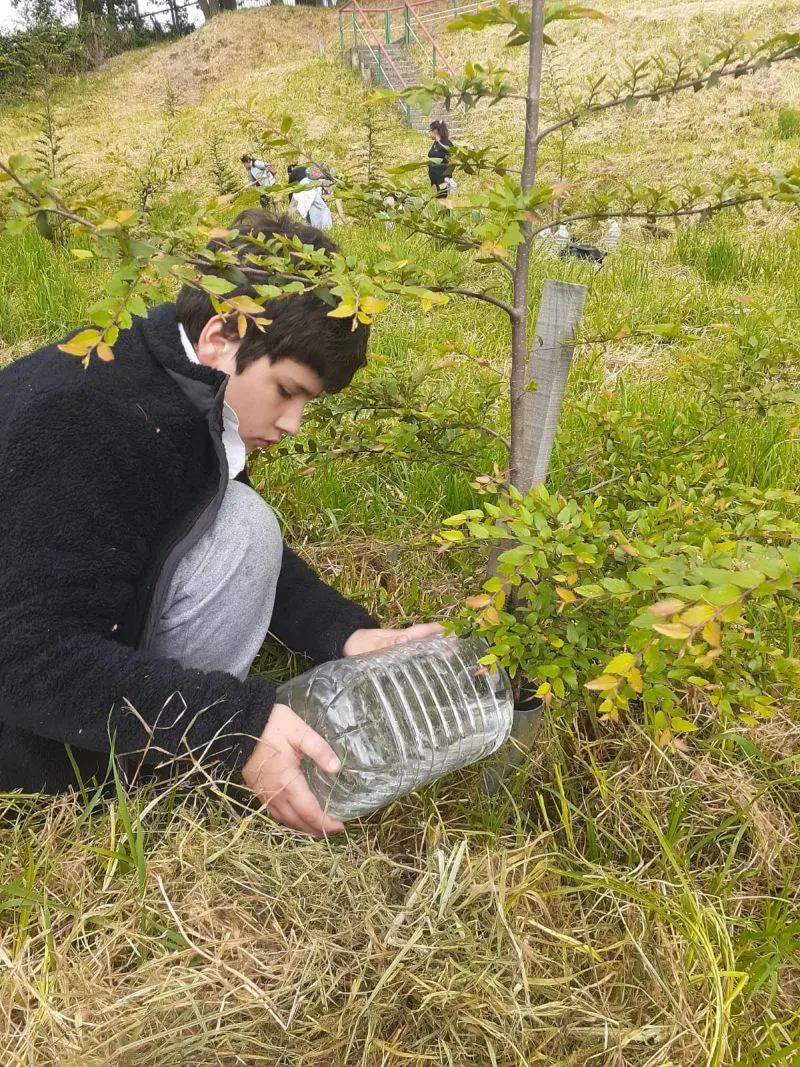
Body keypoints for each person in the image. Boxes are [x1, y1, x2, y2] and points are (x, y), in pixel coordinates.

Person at [0, 210, 442, 835]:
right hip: (20, 722)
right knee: (244, 525)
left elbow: (196, 523)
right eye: (287, 391)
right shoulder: (91, 426)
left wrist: (343, 634)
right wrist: (232, 725)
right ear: (221, 337)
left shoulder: (175, 382)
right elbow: (26, 658)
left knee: (238, 522)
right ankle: (138, 778)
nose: (292, 425)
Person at [427, 120, 454, 199]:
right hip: (434, 179)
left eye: (430, 130)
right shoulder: (435, 143)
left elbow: (452, 161)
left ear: (435, 130)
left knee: (443, 201)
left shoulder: (447, 143)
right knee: (438, 201)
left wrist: (447, 177)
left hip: (443, 179)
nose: (429, 133)